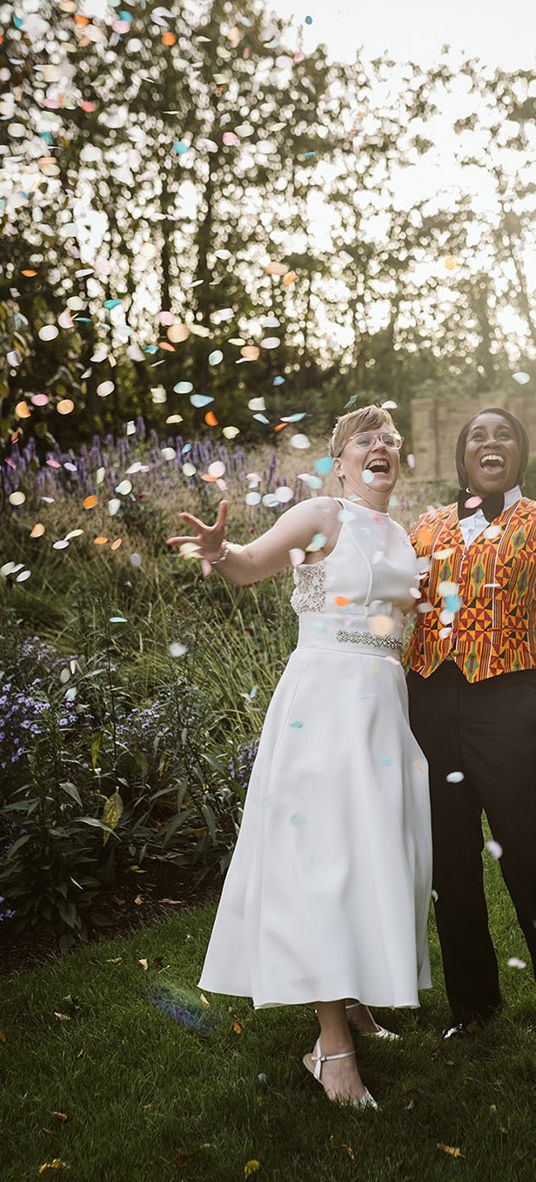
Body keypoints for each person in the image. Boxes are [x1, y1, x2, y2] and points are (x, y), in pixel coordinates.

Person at [168, 405, 432, 1107]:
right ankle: (331, 1053)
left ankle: (357, 1006)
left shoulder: (403, 534)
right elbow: (251, 566)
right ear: (340, 463)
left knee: (375, 853)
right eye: (364, 441)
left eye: (390, 440)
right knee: (325, 863)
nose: (382, 447)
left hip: (382, 705)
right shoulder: (322, 515)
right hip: (324, 701)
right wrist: (219, 550)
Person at [406, 407, 536, 1038]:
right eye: (477, 436)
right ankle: (475, 1007)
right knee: (449, 861)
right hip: (430, 704)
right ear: (462, 459)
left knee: (527, 854)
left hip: (511, 704)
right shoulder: (427, 526)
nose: (490, 443)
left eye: (503, 434)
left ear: (520, 454)